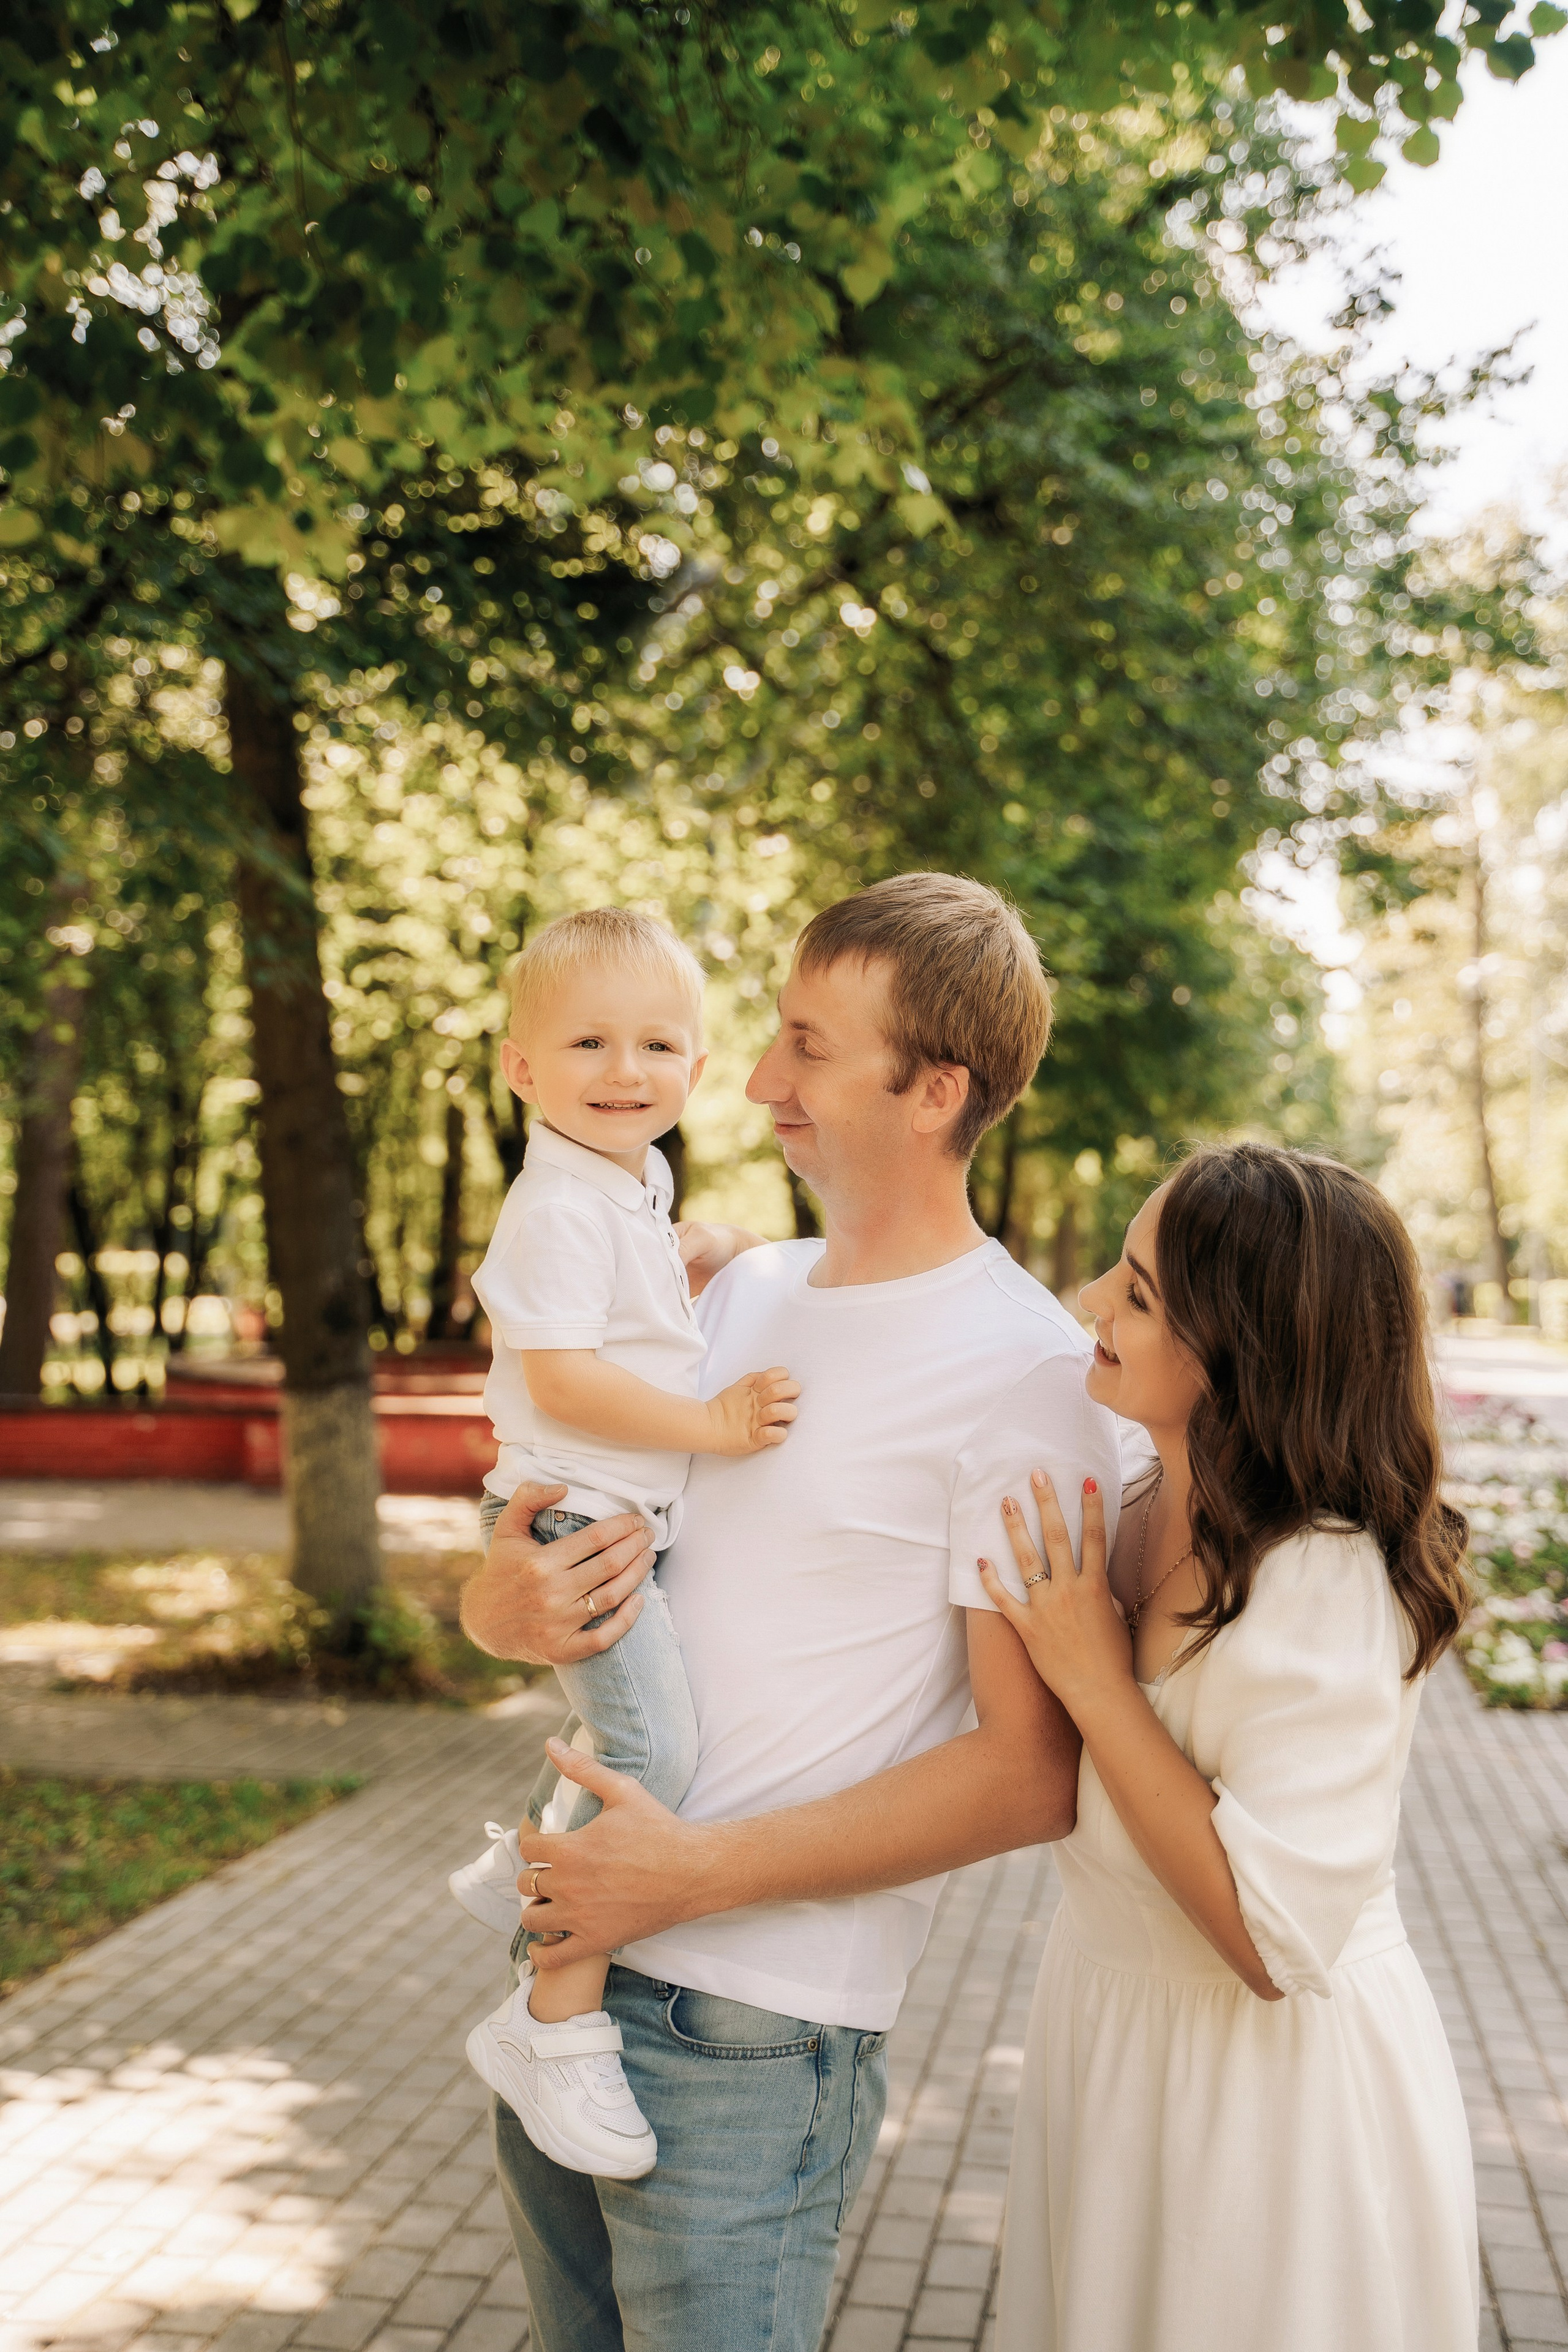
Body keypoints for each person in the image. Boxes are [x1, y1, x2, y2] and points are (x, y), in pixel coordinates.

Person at [459, 872, 1126, 2352]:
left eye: (808, 1046)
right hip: (564, 1976)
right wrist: (497, 1607)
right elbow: (597, 1552)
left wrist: (688, 1877)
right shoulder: (737, 1292)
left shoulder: (1027, 1377)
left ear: (933, 1088)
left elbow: (1032, 1773)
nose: (752, 1080)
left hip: (748, 2035)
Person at [976, 1142, 1477, 2352]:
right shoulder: (1129, 1505)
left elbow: (1270, 1942)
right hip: (1108, 2043)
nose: (1093, 1298)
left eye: (1139, 1296)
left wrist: (1098, 1682)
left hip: (1267, 2107)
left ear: (1244, 1361)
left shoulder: (1323, 1577)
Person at [449, 907, 799, 2180]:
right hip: (577, 1513)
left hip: (608, 1515)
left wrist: (700, 1249)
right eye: (587, 1042)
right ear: (521, 1068)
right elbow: (568, 1379)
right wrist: (708, 1422)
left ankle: (519, 1869)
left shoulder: (631, 1182)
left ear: (694, 1074)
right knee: (653, 1750)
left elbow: (637, 1289)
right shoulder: (555, 1205)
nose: (624, 1070)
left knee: (626, 1730)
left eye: (657, 1044)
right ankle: (550, 2021)